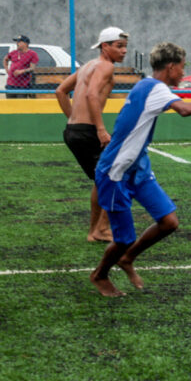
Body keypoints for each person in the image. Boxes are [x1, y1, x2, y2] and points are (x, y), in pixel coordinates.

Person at [90, 42, 191, 297]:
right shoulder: (154, 88)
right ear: (171, 66)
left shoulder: (147, 85)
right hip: (116, 171)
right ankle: (100, 275)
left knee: (169, 222)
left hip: (138, 167)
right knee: (123, 238)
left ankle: (127, 259)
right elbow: (185, 109)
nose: (184, 73)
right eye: (183, 67)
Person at [55, 26, 129, 242]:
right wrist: (100, 129)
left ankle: (95, 231)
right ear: (105, 47)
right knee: (117, 175)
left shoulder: (88, 66)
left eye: (125, 47)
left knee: (102, 179)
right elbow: (91, 94)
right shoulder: (105, 67)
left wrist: (72, 120)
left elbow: (60, 91)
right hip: (88, 132)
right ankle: (102, 229)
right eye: (119, 46)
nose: (124, 51)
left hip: (73, 132)